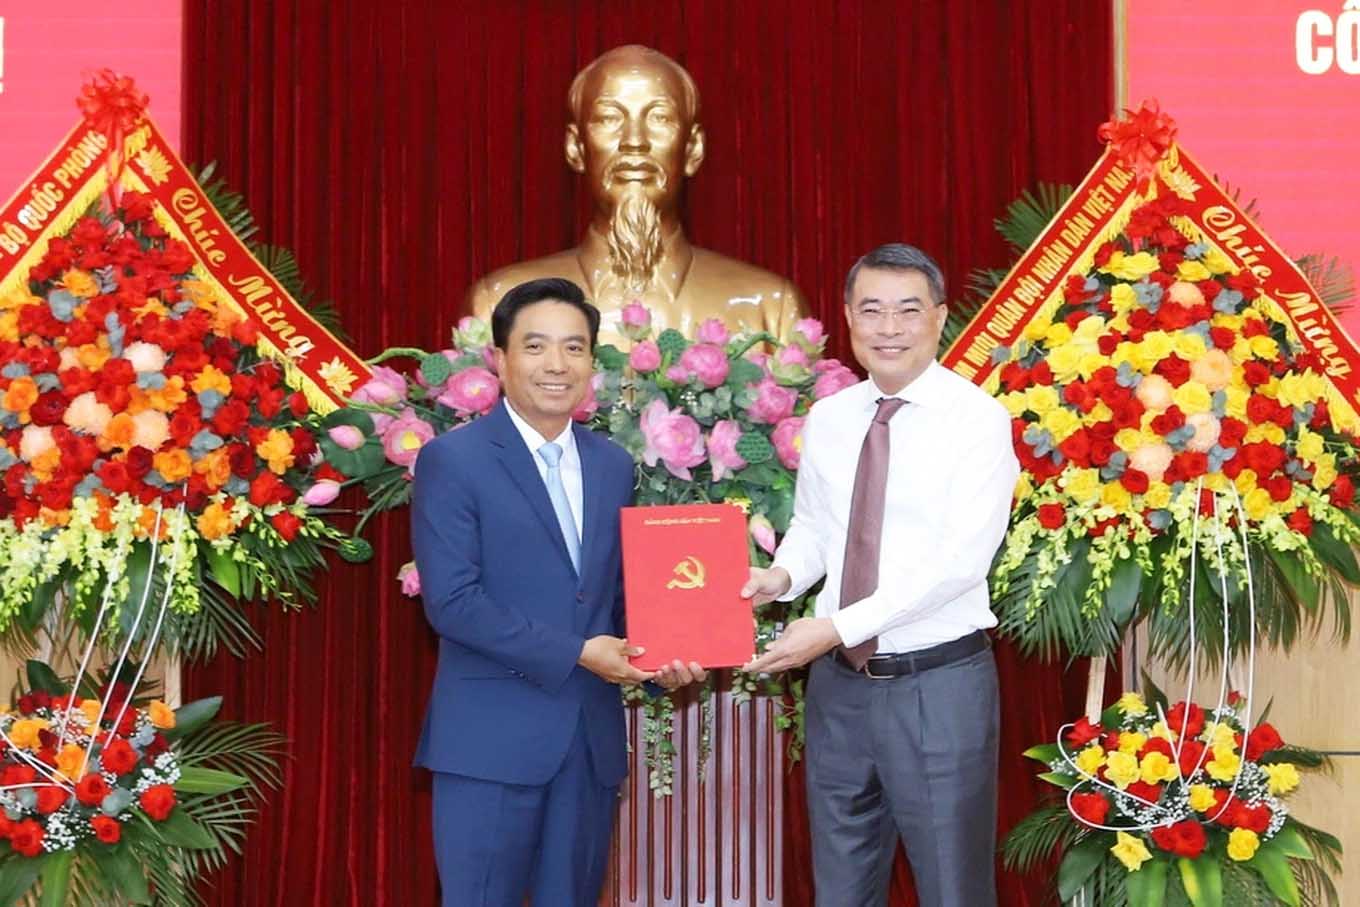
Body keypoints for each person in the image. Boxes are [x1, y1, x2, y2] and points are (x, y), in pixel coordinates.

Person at [411, 277, 704, 906]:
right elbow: (453, 603)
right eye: (536, 346)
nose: (556, 364)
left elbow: (619, 599)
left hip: (587, 746)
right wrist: (578, 652)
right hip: (488, 747)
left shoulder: (611, 465)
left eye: (574, 349)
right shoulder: (453, 461)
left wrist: (662, 664)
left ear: (592, 363)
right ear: (500, 359)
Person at [741, 244, 1020, 906]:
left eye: (907, 310)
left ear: (940, 318)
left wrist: (834, 625)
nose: (888, 328)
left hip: (939, 688)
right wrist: (779, 578)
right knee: (840, 888)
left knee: (953, 889)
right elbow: (816, 527)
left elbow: (958, 565)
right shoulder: (832, 418)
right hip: (839, 691)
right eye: (871, 310)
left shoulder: (978, 421)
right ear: (847, 318)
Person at [466, 45, 806, 344]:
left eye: (659, 117)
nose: (634, 141)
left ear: (692, 149)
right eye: (608, 117)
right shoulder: (499, 302)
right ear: (576, 147)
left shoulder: (770, 307)